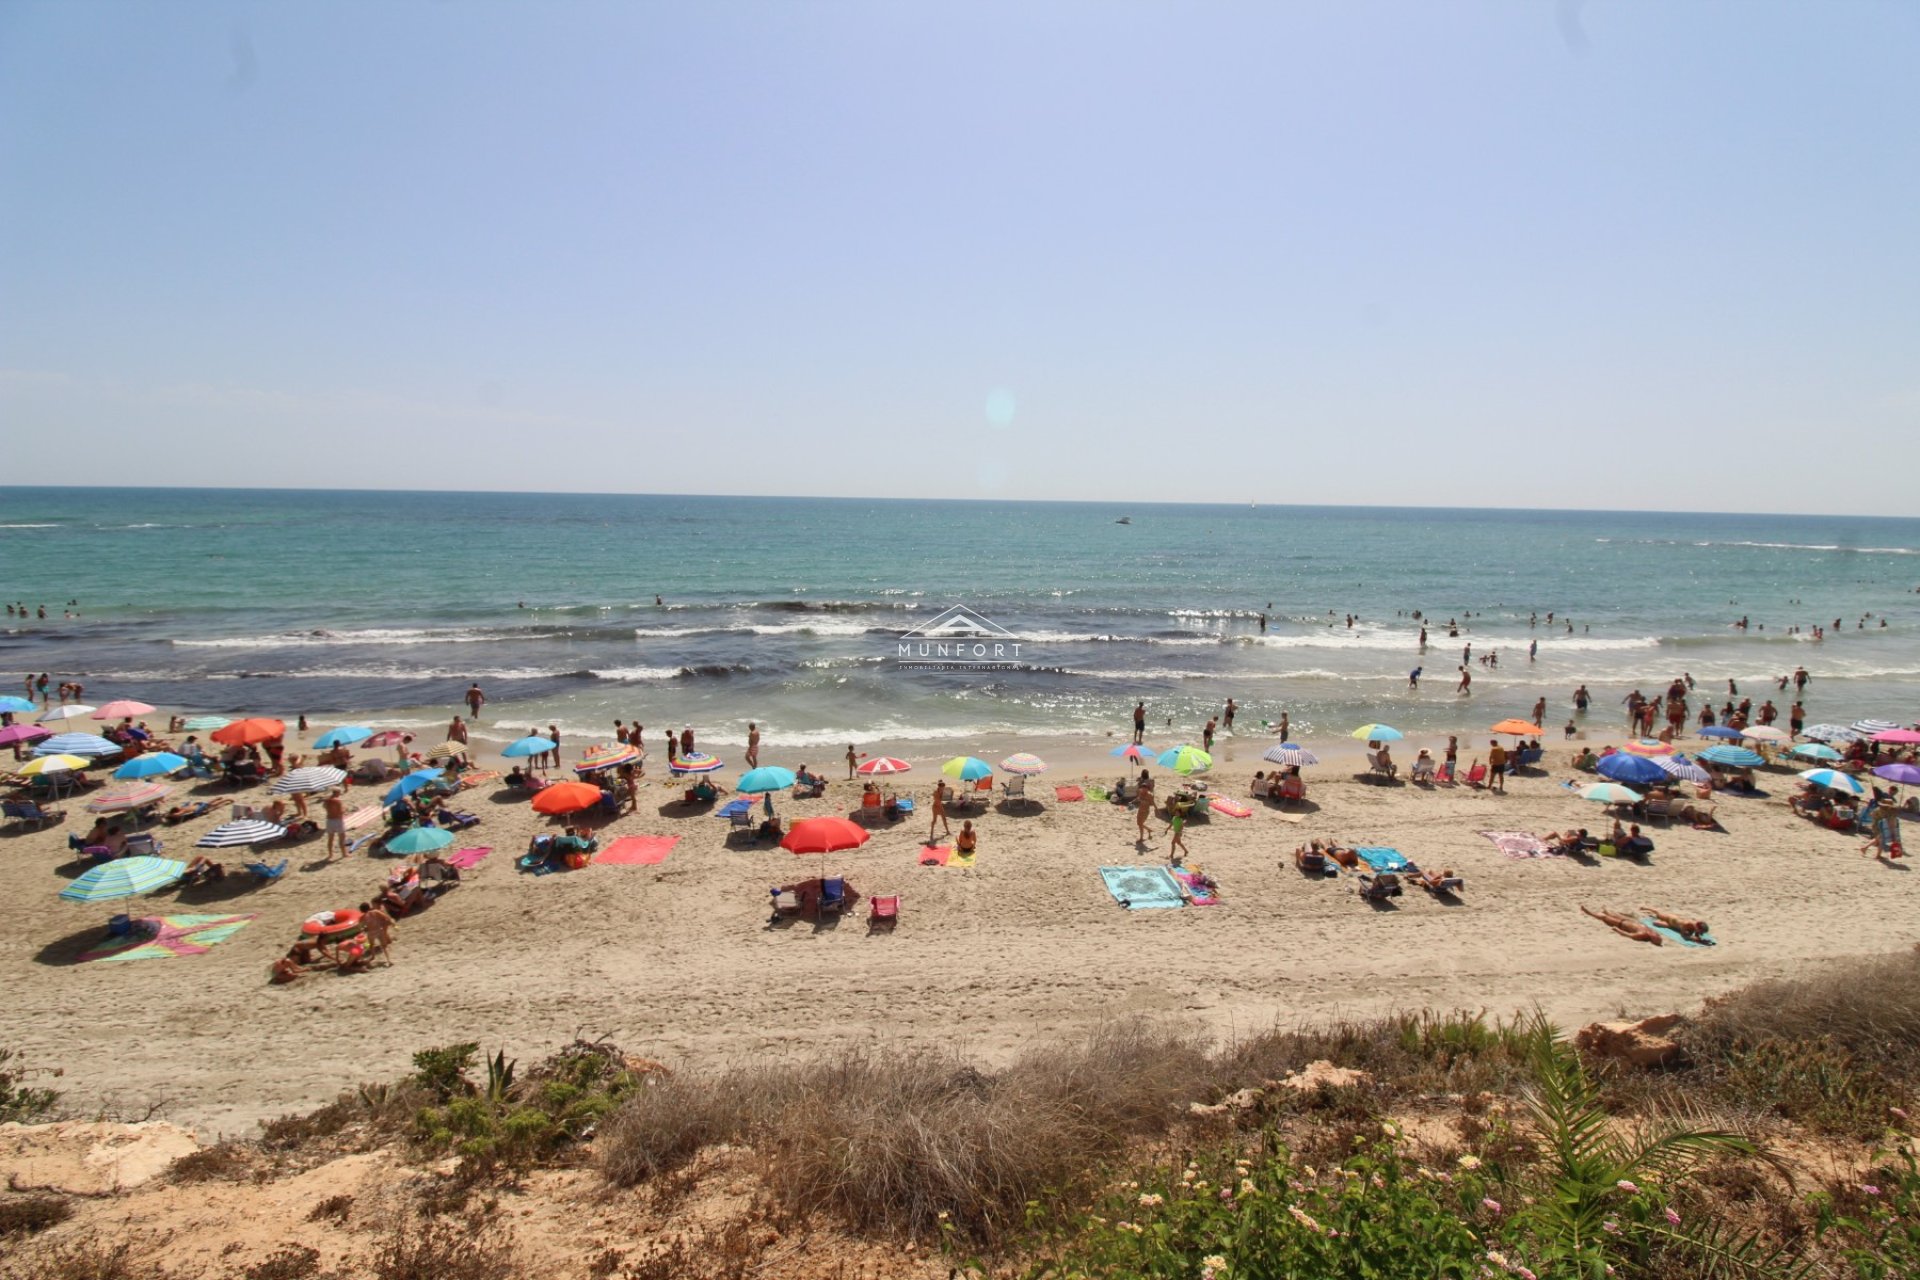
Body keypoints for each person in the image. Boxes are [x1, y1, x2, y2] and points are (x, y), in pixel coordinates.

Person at [1582, 905, 1663, 946]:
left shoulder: (1641, 935)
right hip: (1628, 921)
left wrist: (1617, 930)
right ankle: (1605, 910)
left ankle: (1589, 913)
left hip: (1621, 924)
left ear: (1652, 939)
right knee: (1612, 914)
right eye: (1658, 936)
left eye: (1657, 937)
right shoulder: (1650, 931)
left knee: (1604, 917)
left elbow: (1628, 935)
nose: (1657, 935)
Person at [1640, 907, 1709, 943]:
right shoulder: (1687, 924)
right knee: (1658, 915)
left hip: (1672, 925)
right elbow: (1683, 935)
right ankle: (1646, 908)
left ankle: (1653, 916)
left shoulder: (1696, 927)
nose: (1701, 933)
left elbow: (1697, 935)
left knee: (1657, 923)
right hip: (1671, 919)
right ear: (1698, 928)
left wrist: (1699, 939)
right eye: (1701, 932)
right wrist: (1693, 938)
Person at [1134, 771, 1155, 842]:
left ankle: (1141, 838)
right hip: (1142, 806)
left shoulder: (1142, 782)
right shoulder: (1151, 780)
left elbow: (1137, 789)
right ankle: (1148, 830)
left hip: (1145, 808)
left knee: (1140, 824)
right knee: (1139, 823)